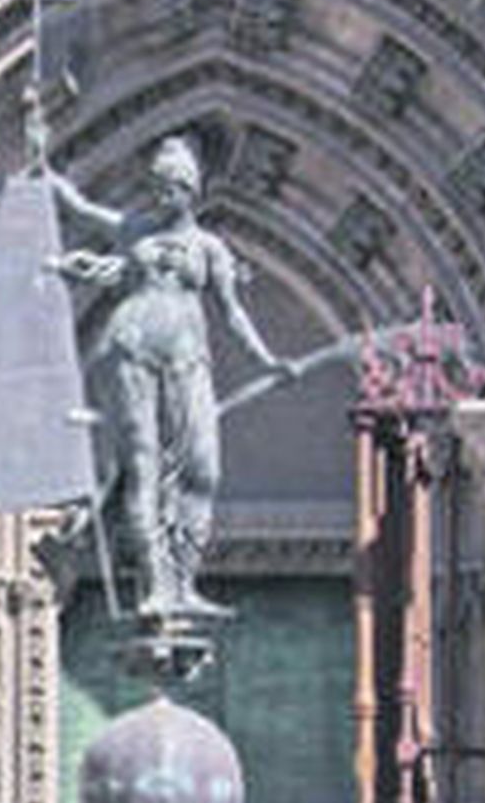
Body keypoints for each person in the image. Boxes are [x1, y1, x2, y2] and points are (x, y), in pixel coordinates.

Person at [34, 120, 294, 618]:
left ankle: (184, 583)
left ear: (190, 191)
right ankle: (156, 585)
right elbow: (80, 209)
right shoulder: (134, 229)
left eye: (170, 187)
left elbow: (233, 312)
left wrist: (267, 360)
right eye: (155, 185)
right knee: (144, 469)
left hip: (187, 358)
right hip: (131, 348)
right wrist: (43, 166)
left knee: (202, 471)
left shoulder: (210, 248)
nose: (160, 195)